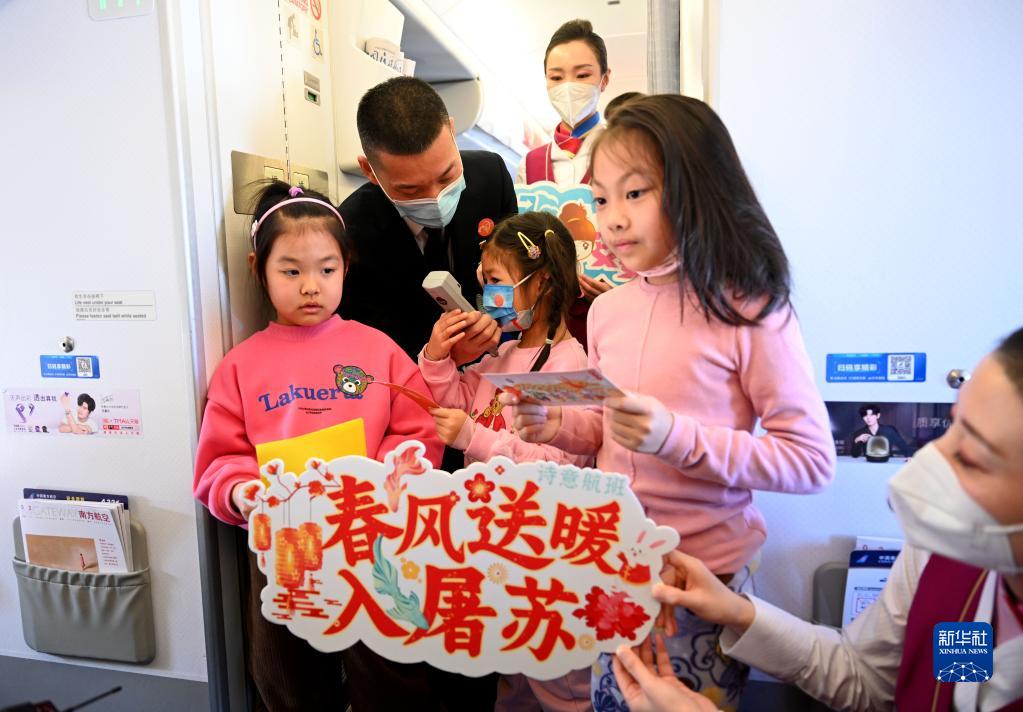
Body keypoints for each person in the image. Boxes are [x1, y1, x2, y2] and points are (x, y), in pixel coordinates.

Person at [510, 94, 836, 711]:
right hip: (613, 563)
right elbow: (607, 426)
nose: (612, 220)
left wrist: (675, 438)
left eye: (635, 193)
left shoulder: (750, 308)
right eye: (600, 199)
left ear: (698, 187)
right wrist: (554, 422)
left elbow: (810, 462)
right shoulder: (606, 310)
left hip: (700, 580)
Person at [621, 326, 1023, 711]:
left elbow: (808, 462)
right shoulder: (951, 558)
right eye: (953, 427)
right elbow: (876, 680)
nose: (925, 466)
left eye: (972, 456)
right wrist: (736, 611)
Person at [192, 182, 442, 712]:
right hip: (282, 541)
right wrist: (242, 493)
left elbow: (418, 430)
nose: (311, 286)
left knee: (387, 667)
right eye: (291, 271)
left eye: (327, 270)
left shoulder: (377, 349)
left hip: (371, 535)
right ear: (258, 268)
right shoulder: (239, 365)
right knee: (285, 673)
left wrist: (387, 480)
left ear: (346, 267)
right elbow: (221, 460)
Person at [420, 211, 593, 711]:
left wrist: (474, 438)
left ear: (542, 282)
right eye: (484, 283)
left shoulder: (570, 365)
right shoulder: (501, 355)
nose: (488, 296)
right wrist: (439, 356)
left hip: (545, 553)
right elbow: (453, 404)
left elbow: (559, 470)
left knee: (560, 683)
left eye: (496, 282)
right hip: (496, 544)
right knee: (513, 678)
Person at [338, 76, 517, 363]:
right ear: (369, 171)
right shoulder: (350, 235)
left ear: (453, 131)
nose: (436, 198)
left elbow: (512, 269)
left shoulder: (491, 177)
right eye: (411, 190)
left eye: (447, 176)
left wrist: (501, 321)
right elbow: (371, 353)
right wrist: (445, 359)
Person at [517, 19, 617, 349]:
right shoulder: (530, 164)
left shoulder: (625, 152)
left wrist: (625, 292)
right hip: (548, 323)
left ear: (604, 79)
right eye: (557, 77)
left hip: (613, 320)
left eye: (582, 75)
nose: (568, 86)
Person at [849, 403, 916, 458]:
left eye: (871, 415)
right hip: (869, 463)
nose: (868, 418)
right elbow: (855, 455)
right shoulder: (859, 433)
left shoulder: (889, 431)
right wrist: (857, 440)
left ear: (878, 415)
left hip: (886, 463)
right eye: (865, 415)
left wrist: (910, 457)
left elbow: (904, 447)